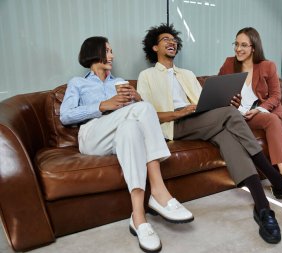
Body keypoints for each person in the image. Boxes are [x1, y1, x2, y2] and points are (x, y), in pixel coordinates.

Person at [137, 24, 282, 244]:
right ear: (154, 47)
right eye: (165, 39)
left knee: (228, 134)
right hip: (174, 125)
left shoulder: (186, 74)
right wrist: (181, 111)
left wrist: (226, 102)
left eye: (174, 39)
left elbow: (206, 103)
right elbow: (146, 115)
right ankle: (277, 181)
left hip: (200, 120)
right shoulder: (146, 75)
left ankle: (263, 208)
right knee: (231, 115)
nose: (172, 42)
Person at [60, 36, 193, 253]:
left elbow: (138, 118)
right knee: (143, 110)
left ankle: (138, 218)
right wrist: (103, 105)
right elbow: (65, 116)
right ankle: (159, 192)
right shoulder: (78, 83)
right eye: (108, 51)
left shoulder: (118, 82)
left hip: (120, 132)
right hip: (93, 135)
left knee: (131, 127)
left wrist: (137, 99)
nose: (112, 56)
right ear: (95, 53)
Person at [218, 27, 282, 181]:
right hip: (245, 115)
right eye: (236, 44)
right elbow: (218, 87)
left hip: (268, 111)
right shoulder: (229, 64)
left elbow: (276, 95)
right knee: (273, 120)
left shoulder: (267, 66)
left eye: (244, 45)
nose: (238, 49)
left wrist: (260, 109)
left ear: (254, 47)